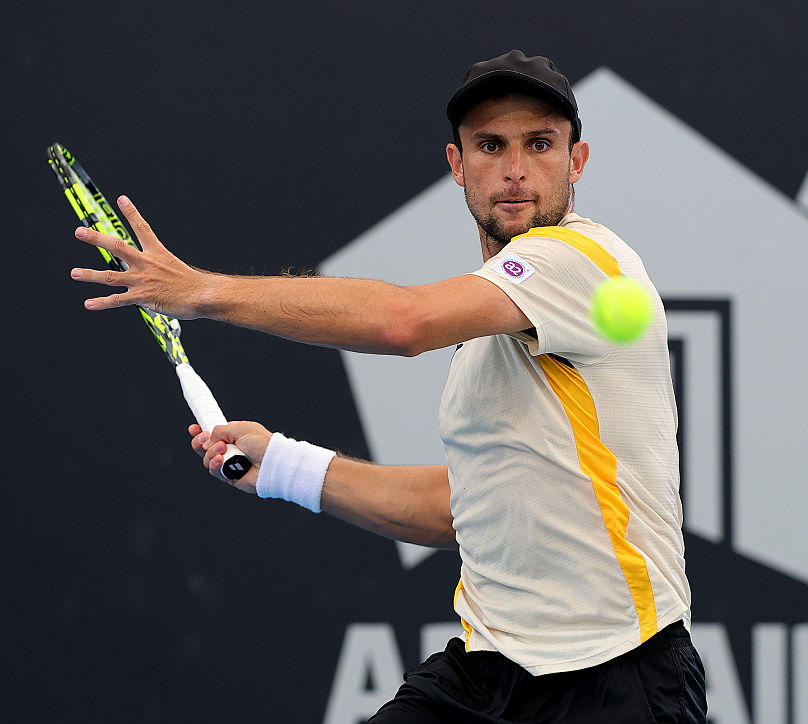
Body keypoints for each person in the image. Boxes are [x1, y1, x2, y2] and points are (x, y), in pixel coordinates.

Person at [71, 49, 708, 723]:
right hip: (485, 675)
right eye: (491, 146)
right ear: (457, 167)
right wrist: (283, 463)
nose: (516, 169)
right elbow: (460, 508)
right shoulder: (486, 342)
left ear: (576, 162)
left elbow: (401, 322)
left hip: (616, 679)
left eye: (540, 144)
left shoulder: (583, 260)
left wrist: (200, 292)